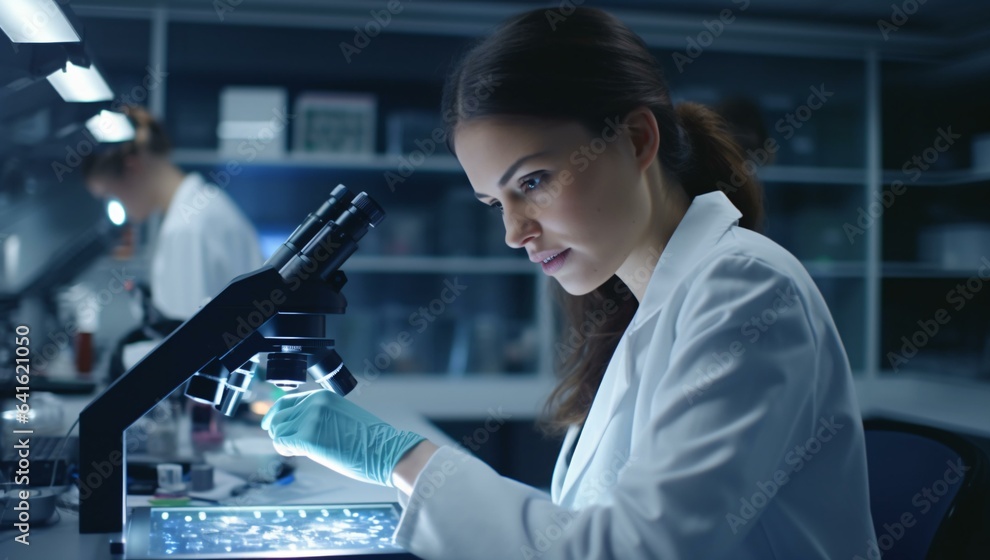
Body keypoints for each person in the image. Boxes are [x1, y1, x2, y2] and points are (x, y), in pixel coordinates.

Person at [261, 7, 877, 559]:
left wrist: (400, 460)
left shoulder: (747, 290)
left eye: (532, 182)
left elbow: (634, 550)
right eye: (493, 202)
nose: (514, 232)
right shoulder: (647, 304)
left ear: (637, 140)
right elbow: (581, 525)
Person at [82, 105, 262, 321]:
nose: (113, 204)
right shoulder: (200, 206)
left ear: (132, 167)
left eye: (109, 194)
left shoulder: (186, 229)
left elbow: (186, 342)